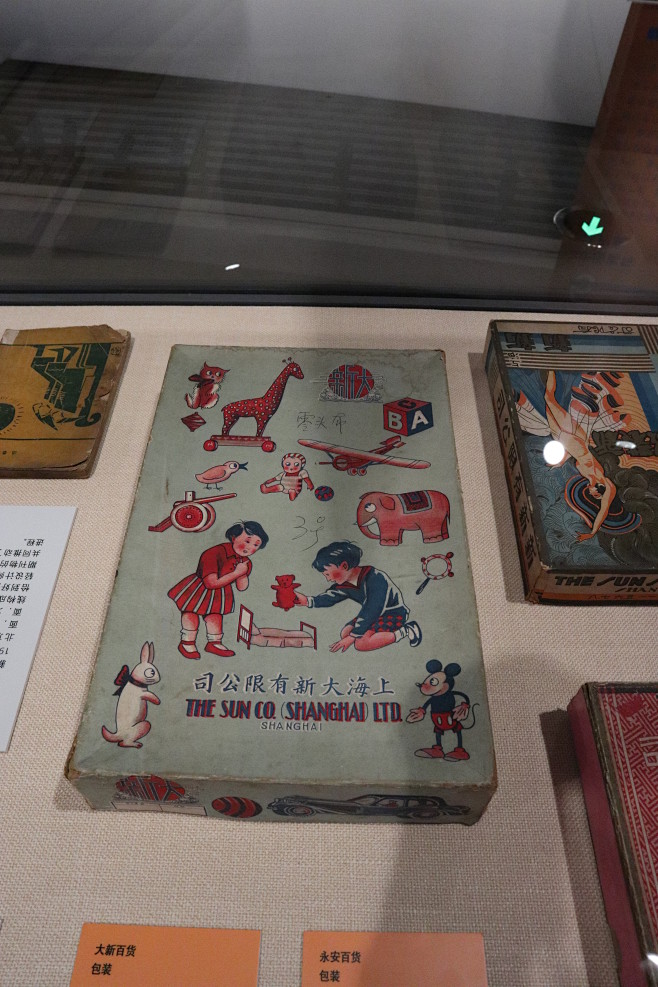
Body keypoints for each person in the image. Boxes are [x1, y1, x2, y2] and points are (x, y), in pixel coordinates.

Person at [543, 370, 639, 540]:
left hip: (566, 442)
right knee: (549, 399)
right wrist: (593, 532)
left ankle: (549, 369)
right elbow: (603, 510)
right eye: (594, 494)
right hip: (576, 437)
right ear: (600, 492)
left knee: (547, 403)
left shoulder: (589, 478)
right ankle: (551, 367)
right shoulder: (607, 484)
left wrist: (560, 461)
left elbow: (576, 457)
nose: (590, 490)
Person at [294, 540, 421, 652]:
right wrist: (308, 601)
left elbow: (373, 608)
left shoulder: (375, 577)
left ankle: (405, 630)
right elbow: (331, 596)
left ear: (344, 566)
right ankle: (369, 634)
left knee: (361, 644)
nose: (328, 579)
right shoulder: (345, 583)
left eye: (328, 574)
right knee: (345, 633)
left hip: (393, 613)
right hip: (373, 615)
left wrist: (354, 636)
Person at [168, 520, 268, 659]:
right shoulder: (214, 552)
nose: (249, 547)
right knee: (191, 612)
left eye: (256, 545)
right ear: (233, 537)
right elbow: (211, 583)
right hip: (199, 588)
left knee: (215, 615)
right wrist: (237, 573)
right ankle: (187, 642)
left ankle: (214, 643)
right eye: (247, 541)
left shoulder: (245, 562)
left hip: (221, 592)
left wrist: (242, 574)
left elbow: (242, 588)